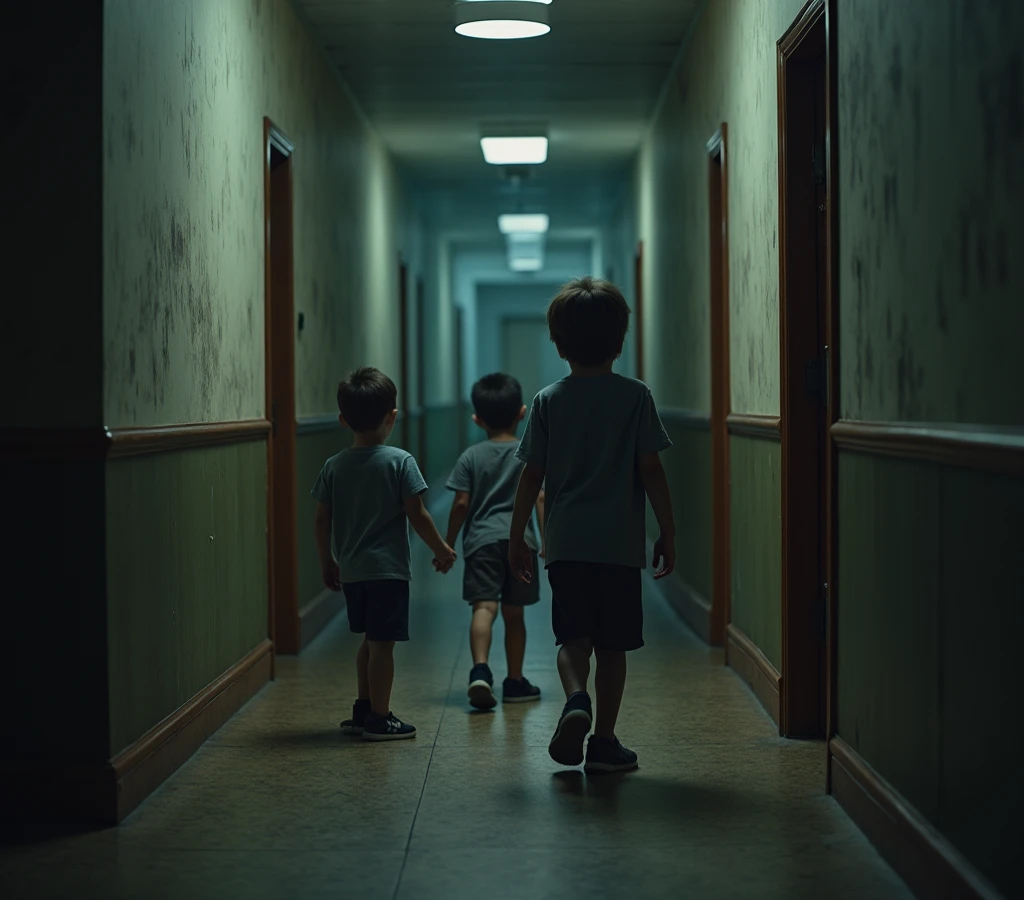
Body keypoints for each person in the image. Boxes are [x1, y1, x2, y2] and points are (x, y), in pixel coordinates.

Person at [508, 276, 676, 774]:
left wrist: (518, 535)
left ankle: (575, 698)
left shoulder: (547, 400)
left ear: (558, 344)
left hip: (566, 543)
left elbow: (531, 475)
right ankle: (604, 740)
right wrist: (668, 530)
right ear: (620, 340)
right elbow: (651, 470)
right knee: (614, 645)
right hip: (620, 545)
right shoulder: (635, 396)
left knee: (572, 640)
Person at [312, 367, 456, 741]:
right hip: (388, 572)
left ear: (343, 420)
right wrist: (441, 549)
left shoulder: (334, 466)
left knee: (368, 641)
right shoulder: (400, 461)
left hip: (353, 570)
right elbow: (418, 514)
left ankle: (363, 708)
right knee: (382, 646)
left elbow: (320, 520)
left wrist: (328, 561)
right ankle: (380, 716)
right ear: (392, 417)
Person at [445, 373, 545, 710]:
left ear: (477, 419)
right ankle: (515, 681)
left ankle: (480, 671)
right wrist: (547, 542)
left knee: (484, 608)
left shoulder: (470, 457)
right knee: (514, 615)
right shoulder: (528, 454)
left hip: (482, 542)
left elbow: (460, 504)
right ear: (522, 413)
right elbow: (541, 499)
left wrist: (447, 543)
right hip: (522, 544)